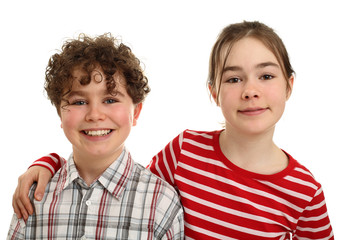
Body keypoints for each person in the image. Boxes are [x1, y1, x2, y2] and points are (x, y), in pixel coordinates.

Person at [12, 21, 334, 239]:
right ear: (213, 92)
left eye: (266, 76)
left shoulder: (305, 192)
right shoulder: (185, 152)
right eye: (233, 78)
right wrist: (49, 163)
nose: (250, 91)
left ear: (289, 86)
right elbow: (115, 175)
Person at [7, 33, 184, 240]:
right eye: (79, 102)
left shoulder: (162, 202)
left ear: (135, 112)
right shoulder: (34, 196)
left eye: (110, 100)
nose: (94, 115)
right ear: (60, 114)